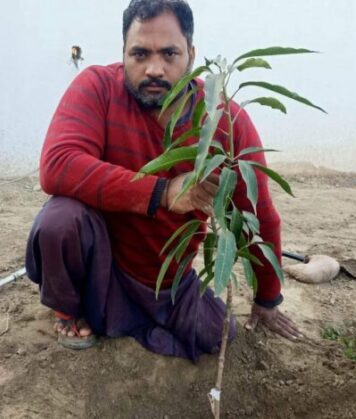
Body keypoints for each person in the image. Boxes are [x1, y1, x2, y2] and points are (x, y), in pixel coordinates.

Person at [25, 0, 301, 361]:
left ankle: (129, 316)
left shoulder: (224, 121)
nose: (154, 68)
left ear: (191, 54)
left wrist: (267, 298)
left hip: (167, 283)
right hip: (102, 267)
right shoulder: (98, 88)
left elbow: (259, 213)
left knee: (219, 334)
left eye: (169, 53)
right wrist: (164, 192)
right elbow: (58, 165)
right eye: (139, 54)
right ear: (123, 53)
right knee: (60, 220)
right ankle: (69, 311)